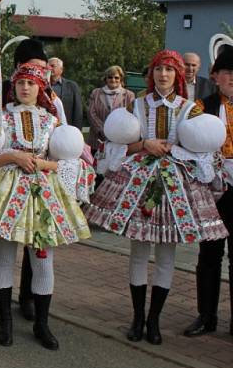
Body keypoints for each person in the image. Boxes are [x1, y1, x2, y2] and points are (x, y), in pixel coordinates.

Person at [86, 50, 228, 345]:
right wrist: (144, 143)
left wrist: (173, 150)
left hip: (175, 185)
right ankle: (138, 318)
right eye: (158, 69)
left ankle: (154, 320)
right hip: (139, 181)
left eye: (169, 70)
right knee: (139, 251)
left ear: (177, 75)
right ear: (152, 74)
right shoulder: (137, 105)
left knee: (166, 254)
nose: (163, 75)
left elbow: (204, 151)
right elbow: (116, 145)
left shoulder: (190, 108)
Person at [0, 63, 94, 350]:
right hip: (6, 191)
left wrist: (41, 163)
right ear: (13, 86)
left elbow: (67, 161)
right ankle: (5, 320)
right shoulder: (0, 118)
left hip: (43, 192)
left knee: (43, 259)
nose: (26, 88)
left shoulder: (53, 122)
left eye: (31, 83)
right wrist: (14, 157)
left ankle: (42, 323)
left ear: (41, 87)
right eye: (21, 83)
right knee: (4, 256)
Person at [0, 38, 52, 321]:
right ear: (18, 69)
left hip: (39, 185)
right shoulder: (2, 101)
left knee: (37, 244)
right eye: (30, 70)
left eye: (40, 71)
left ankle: (28, 298)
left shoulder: (49, 111)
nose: (32, 80)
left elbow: (62, 144)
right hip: (6, 184)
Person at [183, 47, 233, 337]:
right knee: (209, 255)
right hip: (213, 191)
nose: (232, 79)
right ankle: (206, 316)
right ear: (216, 77)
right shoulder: (203, 106)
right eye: (228, 73)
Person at [87, 65, 135, 151]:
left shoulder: (129, 95)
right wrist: (104, 131)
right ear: (106, 79)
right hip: (98, 140)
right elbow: (91, 113)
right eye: (110, 77)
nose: (113, 80)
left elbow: (131, 116)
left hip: (120, 141)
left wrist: (115, 133)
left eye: (116, 77)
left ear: (121, 79)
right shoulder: (96, 93)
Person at [48, 57, 83, 128]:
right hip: (47, 130)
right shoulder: (41, 86)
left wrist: (77, 131)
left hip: (67, 128)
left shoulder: (72, 86)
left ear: (61, 69)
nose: (49, 68)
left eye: (52, 66)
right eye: (48, 66)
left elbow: (78, 112)